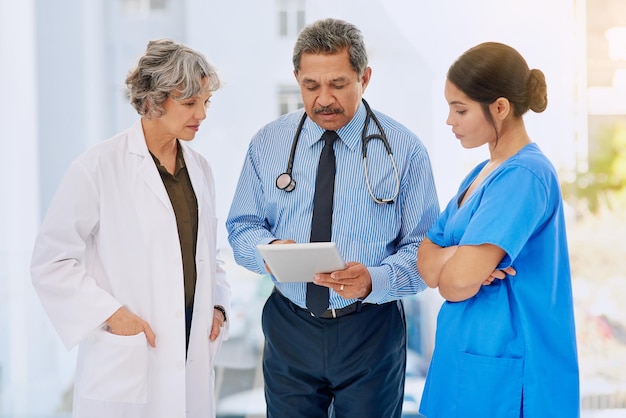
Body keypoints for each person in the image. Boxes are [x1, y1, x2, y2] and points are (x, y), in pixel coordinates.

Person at [226, 18, 439, 418]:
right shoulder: (267, 144)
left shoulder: (405, 151)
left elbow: (424, 249)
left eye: (338, 84)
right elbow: (241, 226)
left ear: (365, 77)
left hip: (370, 330)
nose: (324, 99)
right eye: (311, 86)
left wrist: (375, 278)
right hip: (290, 325)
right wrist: (270, 251)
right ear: (297, 78)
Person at [30, 39, 231, 418]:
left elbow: (206, 254)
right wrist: (111, 314)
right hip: (131, 357)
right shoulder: (98, 167)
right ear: (154, 101)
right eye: (190, 103)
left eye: (206, 101)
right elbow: (51, 261)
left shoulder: (200, 168)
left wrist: (218, 307)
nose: (201, 114)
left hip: (192, 348)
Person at [417, 42, 580, 417]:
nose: (449, 121)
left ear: (500, 107)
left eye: (460, 109)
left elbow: (454, 283)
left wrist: (453, 263)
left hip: (505, 371)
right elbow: (425, 263)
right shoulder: (480, 175)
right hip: (465, 363)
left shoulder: (524, 175)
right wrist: (460, 257)